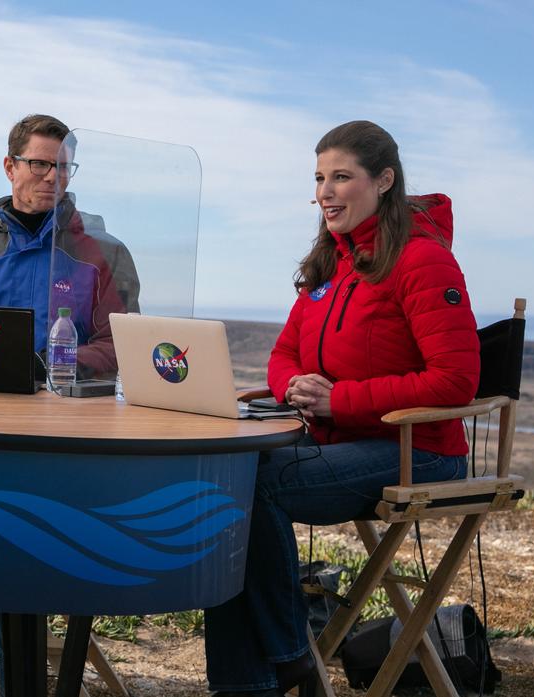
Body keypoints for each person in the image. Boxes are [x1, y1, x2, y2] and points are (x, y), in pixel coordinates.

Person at [202, 120, 479, 696]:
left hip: (417, 453)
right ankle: (241, 685)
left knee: (257, 485)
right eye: (319, 178)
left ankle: (286, 656)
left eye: (341, 177)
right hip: (339, 443)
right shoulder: (333, 264)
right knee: (226, 473)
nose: (325, 192)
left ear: (384, 181)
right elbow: (283, 353)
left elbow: (456, 380)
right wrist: (297, 384)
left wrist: (339, 399)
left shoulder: (421, 261)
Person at [0, 113, 140, 379]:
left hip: (70, 407)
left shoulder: (104, 253)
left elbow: (122, 343)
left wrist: (50, 364)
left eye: (63, 167)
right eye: (40, 164)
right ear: (10, 167)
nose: (52, 176)